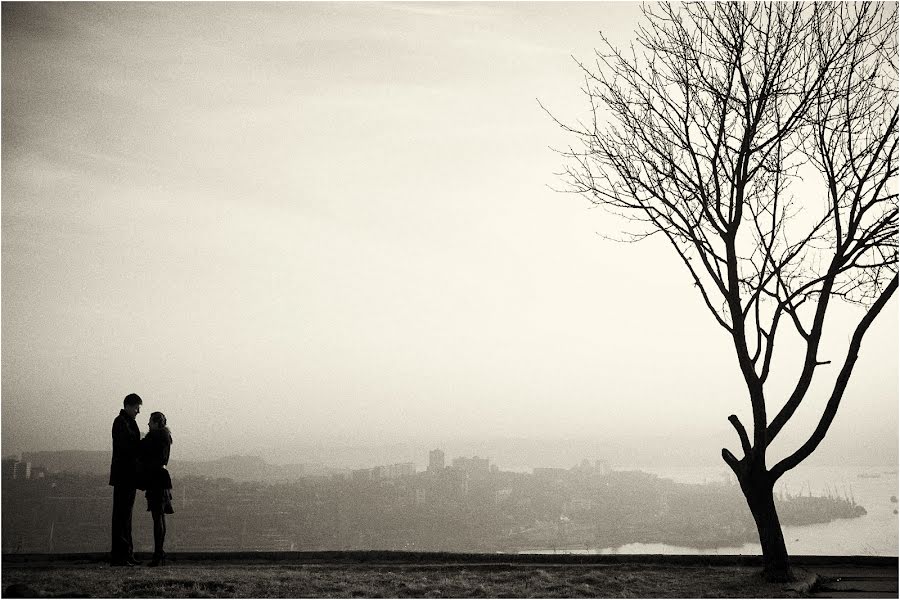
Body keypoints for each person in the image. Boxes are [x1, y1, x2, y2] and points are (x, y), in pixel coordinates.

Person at [109, 393, 143, 566]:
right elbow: (128, 446)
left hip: (127, 475)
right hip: (125, 475)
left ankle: (126, 554)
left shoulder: (126, 422)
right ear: (129, 406)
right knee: (122, 516)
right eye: (137, 407)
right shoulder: (121, 422)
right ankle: (121, 555)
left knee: (125, 516)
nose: (138, 411)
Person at [140, 411, 174, 567]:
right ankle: (159, 552)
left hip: (155, 479)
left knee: (157, 517)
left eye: (150, 422)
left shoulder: (154, 438)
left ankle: (158, 554)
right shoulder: (165, 438)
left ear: (156, 423)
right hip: (162, 477)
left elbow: (142, 450)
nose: (148, 424)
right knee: (160, 517)